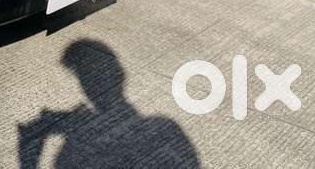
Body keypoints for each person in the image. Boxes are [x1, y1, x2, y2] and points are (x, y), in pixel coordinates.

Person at [18, 40, 199, 168]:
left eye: (87, 77)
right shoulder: (167, 128)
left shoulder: (164, 128)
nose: (89, 84)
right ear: (120, 75)